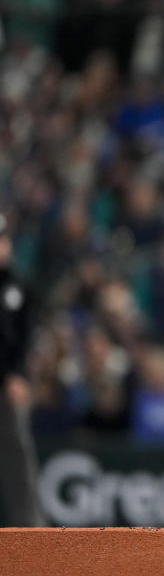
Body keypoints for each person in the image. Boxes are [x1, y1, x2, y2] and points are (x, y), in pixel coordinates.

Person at [0, 215, 43, 526]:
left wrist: (20, 376)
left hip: (9, 387)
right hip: (7, 379)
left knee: (17, 459)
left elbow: (25, 337)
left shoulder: (17, 285)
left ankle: (29, 532)